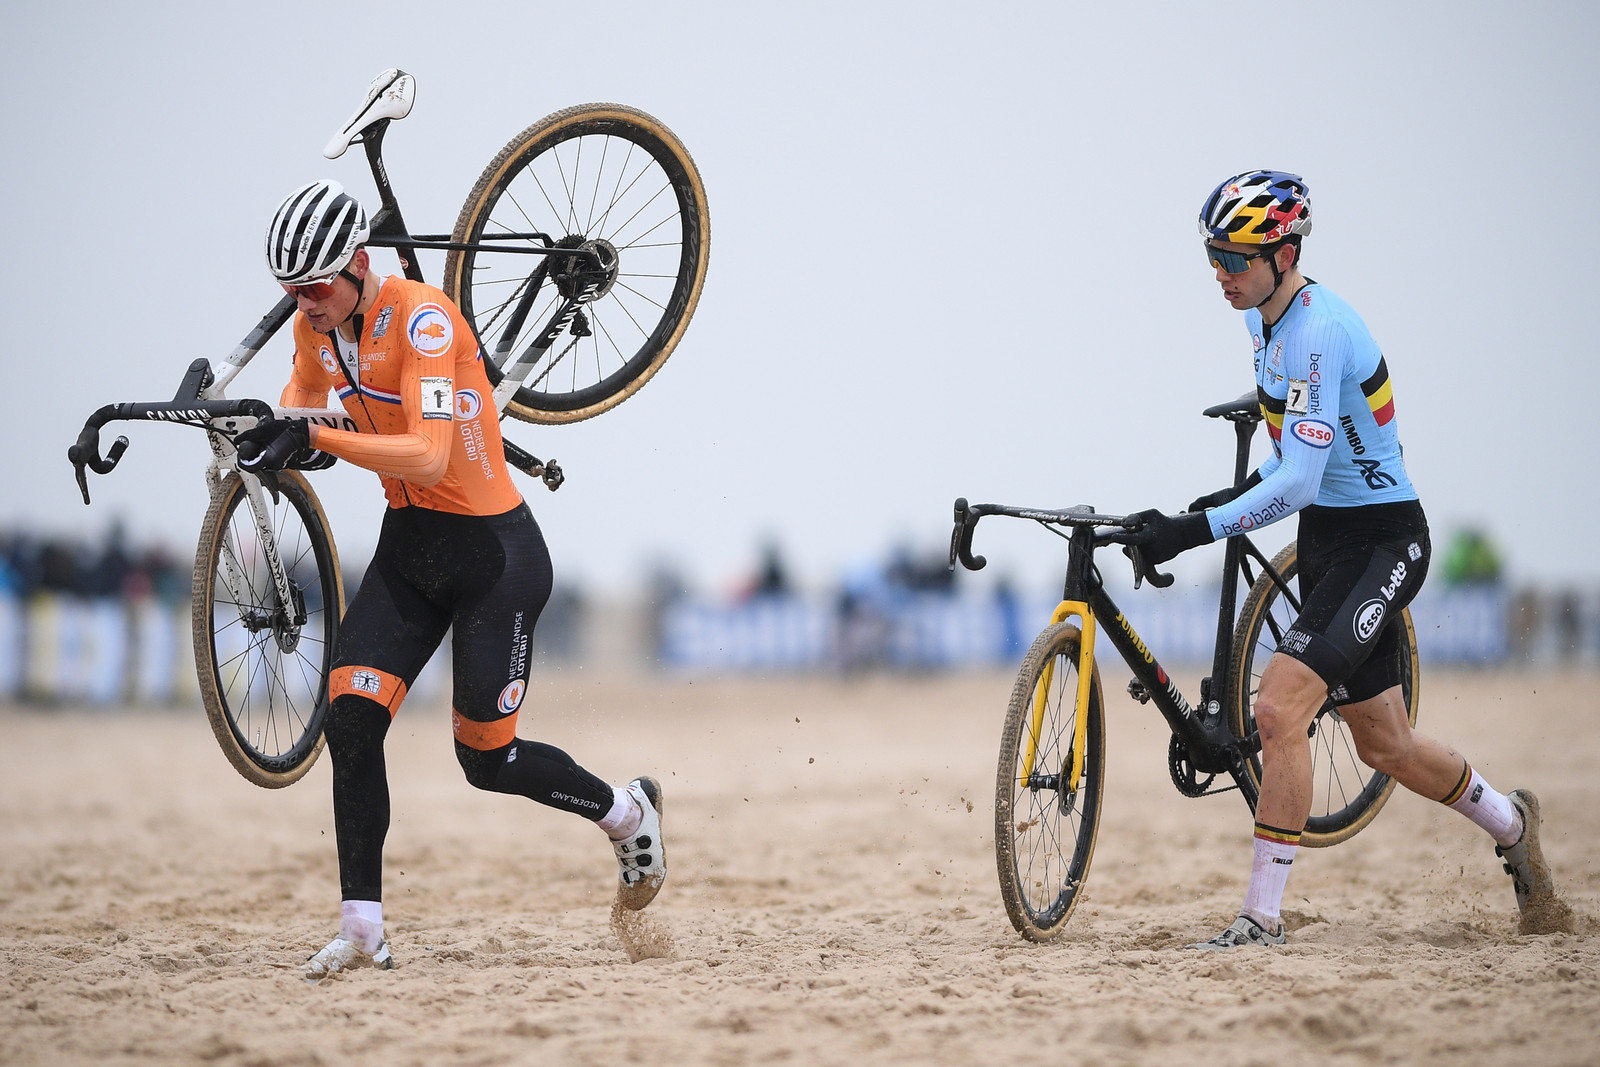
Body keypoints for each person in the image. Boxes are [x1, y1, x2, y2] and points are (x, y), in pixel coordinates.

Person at [1125, 170, 1567, 948]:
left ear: (1284, 252)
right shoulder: (1264, 319)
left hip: (1386, 540)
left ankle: (1262, 917)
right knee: (1384, 744)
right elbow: (1295, 460)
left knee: (1278, 705)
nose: (1220, 274)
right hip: (1329, 541)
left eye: (1234, 257)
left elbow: (1296, 479)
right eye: (1212, 257)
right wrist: (1196, 511)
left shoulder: (1318, 330)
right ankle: (1512, 822)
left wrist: (1193, 530)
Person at [241, 180, 666, 979]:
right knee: (352, 722)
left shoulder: (424, 319)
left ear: (357, 263)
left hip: (494, 561)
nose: (306, 303)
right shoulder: (317, 324)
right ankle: (362, 929)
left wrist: (314, 428)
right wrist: (279, 431)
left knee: (486, 762)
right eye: (292, 292)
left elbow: (430, 453)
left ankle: (626, 811)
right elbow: (303, 410)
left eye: (317, 285)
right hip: (408, 549)